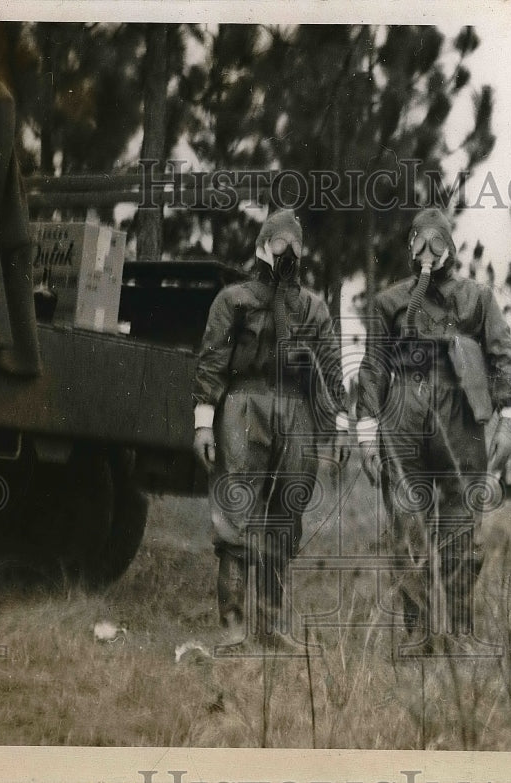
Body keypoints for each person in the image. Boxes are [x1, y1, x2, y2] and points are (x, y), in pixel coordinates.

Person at [355, 207, 511, 654]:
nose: (428, 251)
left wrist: (508, 420)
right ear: (410, 247)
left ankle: (460, 632)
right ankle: (419, 634)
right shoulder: (389, 303)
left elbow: (503, 355)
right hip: (403, 416)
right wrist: (367, 431)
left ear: (450, 246)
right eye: (419, 242)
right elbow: (372, 369)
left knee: (459, 526)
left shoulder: (477, 299)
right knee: (408, 527)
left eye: (437, 242)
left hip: (460, 413)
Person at [192, 209, 350, 651]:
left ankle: (272, 625)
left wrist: (334, 428)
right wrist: (204, 423)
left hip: (296, 413)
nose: (288, 252)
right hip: (244, 407)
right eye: (279, 243)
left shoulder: (312, 308)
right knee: (235, 513)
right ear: (263, 246)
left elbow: (331, 373)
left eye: (295, 246)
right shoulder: (233, 301)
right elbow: (212, 363)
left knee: (286, 518)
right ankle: (233, 627)